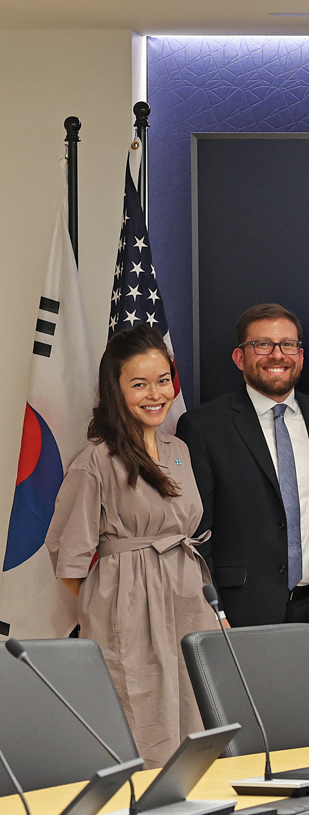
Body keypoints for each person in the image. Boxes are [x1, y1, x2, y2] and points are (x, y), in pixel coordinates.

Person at [47, 326, 213, 765]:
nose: (155, 394)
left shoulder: (179, 448)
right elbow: (68, 561)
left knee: (200, 721)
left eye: (162, 380)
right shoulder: (96, 461)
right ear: (115, 389)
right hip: (130, 612)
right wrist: (114, 606)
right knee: (143, 728)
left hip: (189, 605)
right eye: (139, 384)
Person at [181, 304, 309, 654]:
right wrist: (213, 610)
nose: (277, 355)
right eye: (263, 345)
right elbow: (198, 532)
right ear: (240, 357)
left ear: (300, 356)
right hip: (242, 613)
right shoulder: (205, 427)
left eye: (288, 345)